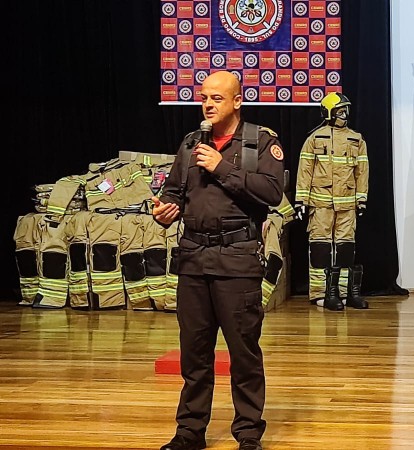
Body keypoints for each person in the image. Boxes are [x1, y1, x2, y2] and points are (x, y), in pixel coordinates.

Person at [152, 70, 284, 450]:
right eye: (204, 98)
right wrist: (167, 209)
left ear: (237, 101)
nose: (208, 104)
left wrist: (221, 167)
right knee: (194, 354)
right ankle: (190, 432)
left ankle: (247, 434)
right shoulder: (191, 142)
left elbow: (272, 193)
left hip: (237, 261)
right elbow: (174, 190)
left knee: (243, 354)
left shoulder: (260, 142)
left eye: (217, 98)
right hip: (193, 260)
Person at [295, 92, 369, 311]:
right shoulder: (315, 139)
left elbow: (362, 172)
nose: (344, 115)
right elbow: (305, 170)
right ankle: (320, 292)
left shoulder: (357, 139)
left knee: (346, 248)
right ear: (328, 113)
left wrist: (362, 198)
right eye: (339, 111)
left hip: (347, 205)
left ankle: (343, 293)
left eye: (346, 110)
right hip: (321, 204)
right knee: (320, 247)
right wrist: (301, 199)